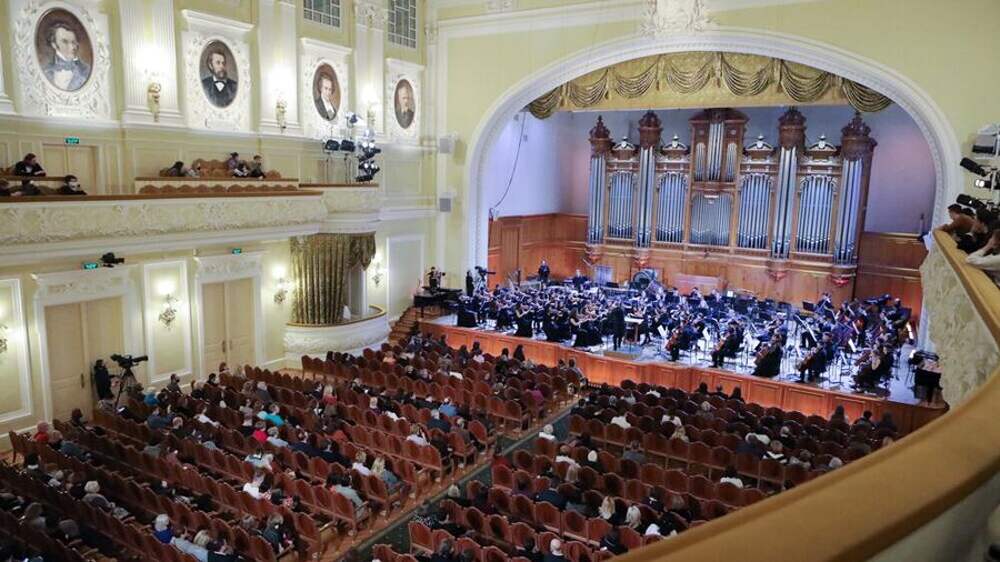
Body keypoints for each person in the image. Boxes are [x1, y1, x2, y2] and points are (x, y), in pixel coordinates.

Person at [42, 23, 91, 90]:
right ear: (54, 45)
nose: (72, 47)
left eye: (73, 42)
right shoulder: (45, 70)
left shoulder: (86, 70)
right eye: (65, 42)